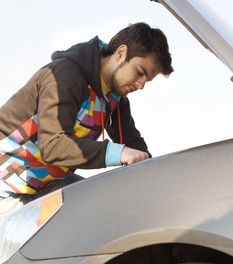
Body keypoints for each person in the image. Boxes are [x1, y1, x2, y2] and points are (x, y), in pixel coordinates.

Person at [0, 22, 173, 219]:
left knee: (101, 209)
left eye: (147, 80)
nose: (141, 85)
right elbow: (53, 145)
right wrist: (118, 152)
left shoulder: (115, 98)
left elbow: (133, 144)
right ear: (121, 53)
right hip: (4, 191)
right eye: (140, 72)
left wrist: (158, 178)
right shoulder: (64, 75)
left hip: (44, 185)